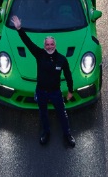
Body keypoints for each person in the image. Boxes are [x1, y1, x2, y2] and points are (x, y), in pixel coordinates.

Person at [10, 15, 76, 147]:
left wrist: (70, 90)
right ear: (44, 45)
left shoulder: (62, 59)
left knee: (62, 114)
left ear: (55, 45)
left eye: (52, 44)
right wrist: (19, 29)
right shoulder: (39, 54)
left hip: (55, 92)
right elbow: (27, 42)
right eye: (47, 44)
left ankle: (67, 134)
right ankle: (46, 132)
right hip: (41, 92)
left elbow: (68, 75)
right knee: (43, 114)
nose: (49, 46)